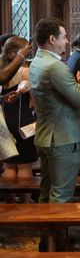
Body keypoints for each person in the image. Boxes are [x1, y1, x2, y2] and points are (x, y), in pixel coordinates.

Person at [29, 18, 80, 204]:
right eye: (64, 37)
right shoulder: (55, 67)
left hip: (46, 135)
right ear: (52, 39)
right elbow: (79, 99)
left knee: (46, 191)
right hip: (62, 138)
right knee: (61, 196)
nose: (67, 41)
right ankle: (56, 233)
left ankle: (46, 233)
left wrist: (78, 84)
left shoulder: (37, 61)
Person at [0, 37, 38, 182]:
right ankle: (25, 202)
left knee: (9, 165)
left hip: (4, 120)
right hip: (24, 121)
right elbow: (34, 101)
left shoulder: (2, 71)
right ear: (13, 54)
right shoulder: (25, 72)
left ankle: (10, 202)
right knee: (24, 167)